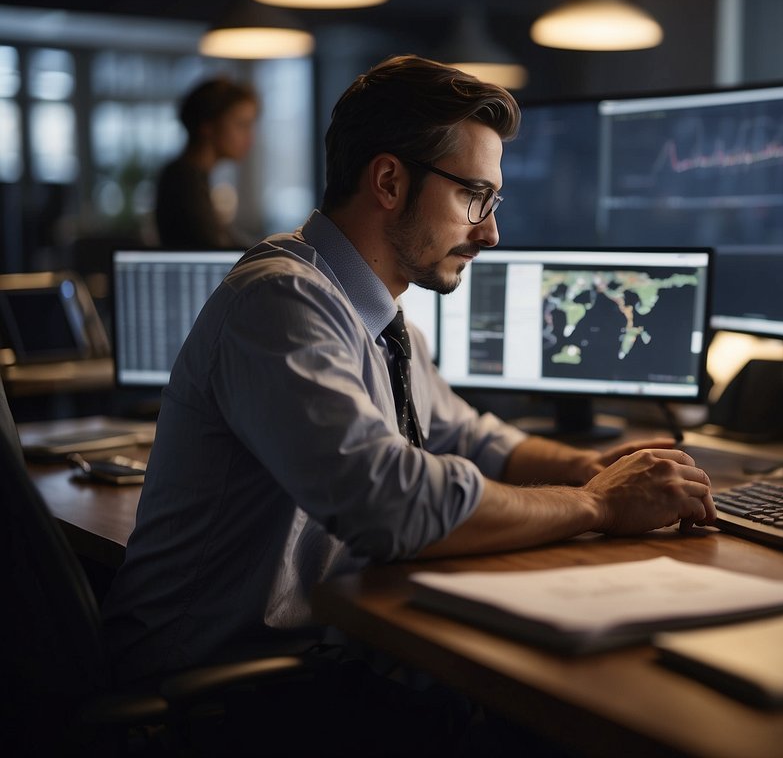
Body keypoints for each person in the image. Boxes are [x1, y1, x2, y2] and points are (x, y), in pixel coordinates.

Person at [102, 55, 716, 689]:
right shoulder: (280, 302)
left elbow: (472, 438)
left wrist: (588, 468)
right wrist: (595, 504)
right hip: (213, 694)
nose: (491, 233)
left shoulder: (379, 319)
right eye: (474, 197)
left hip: (298, 668)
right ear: (389, 182)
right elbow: (391, 503)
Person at [154, 76, 258, 249]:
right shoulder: (183, 181)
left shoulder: (190, 176)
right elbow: (213, 248)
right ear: (207, 126)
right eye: (241, 125)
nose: (250, 138)